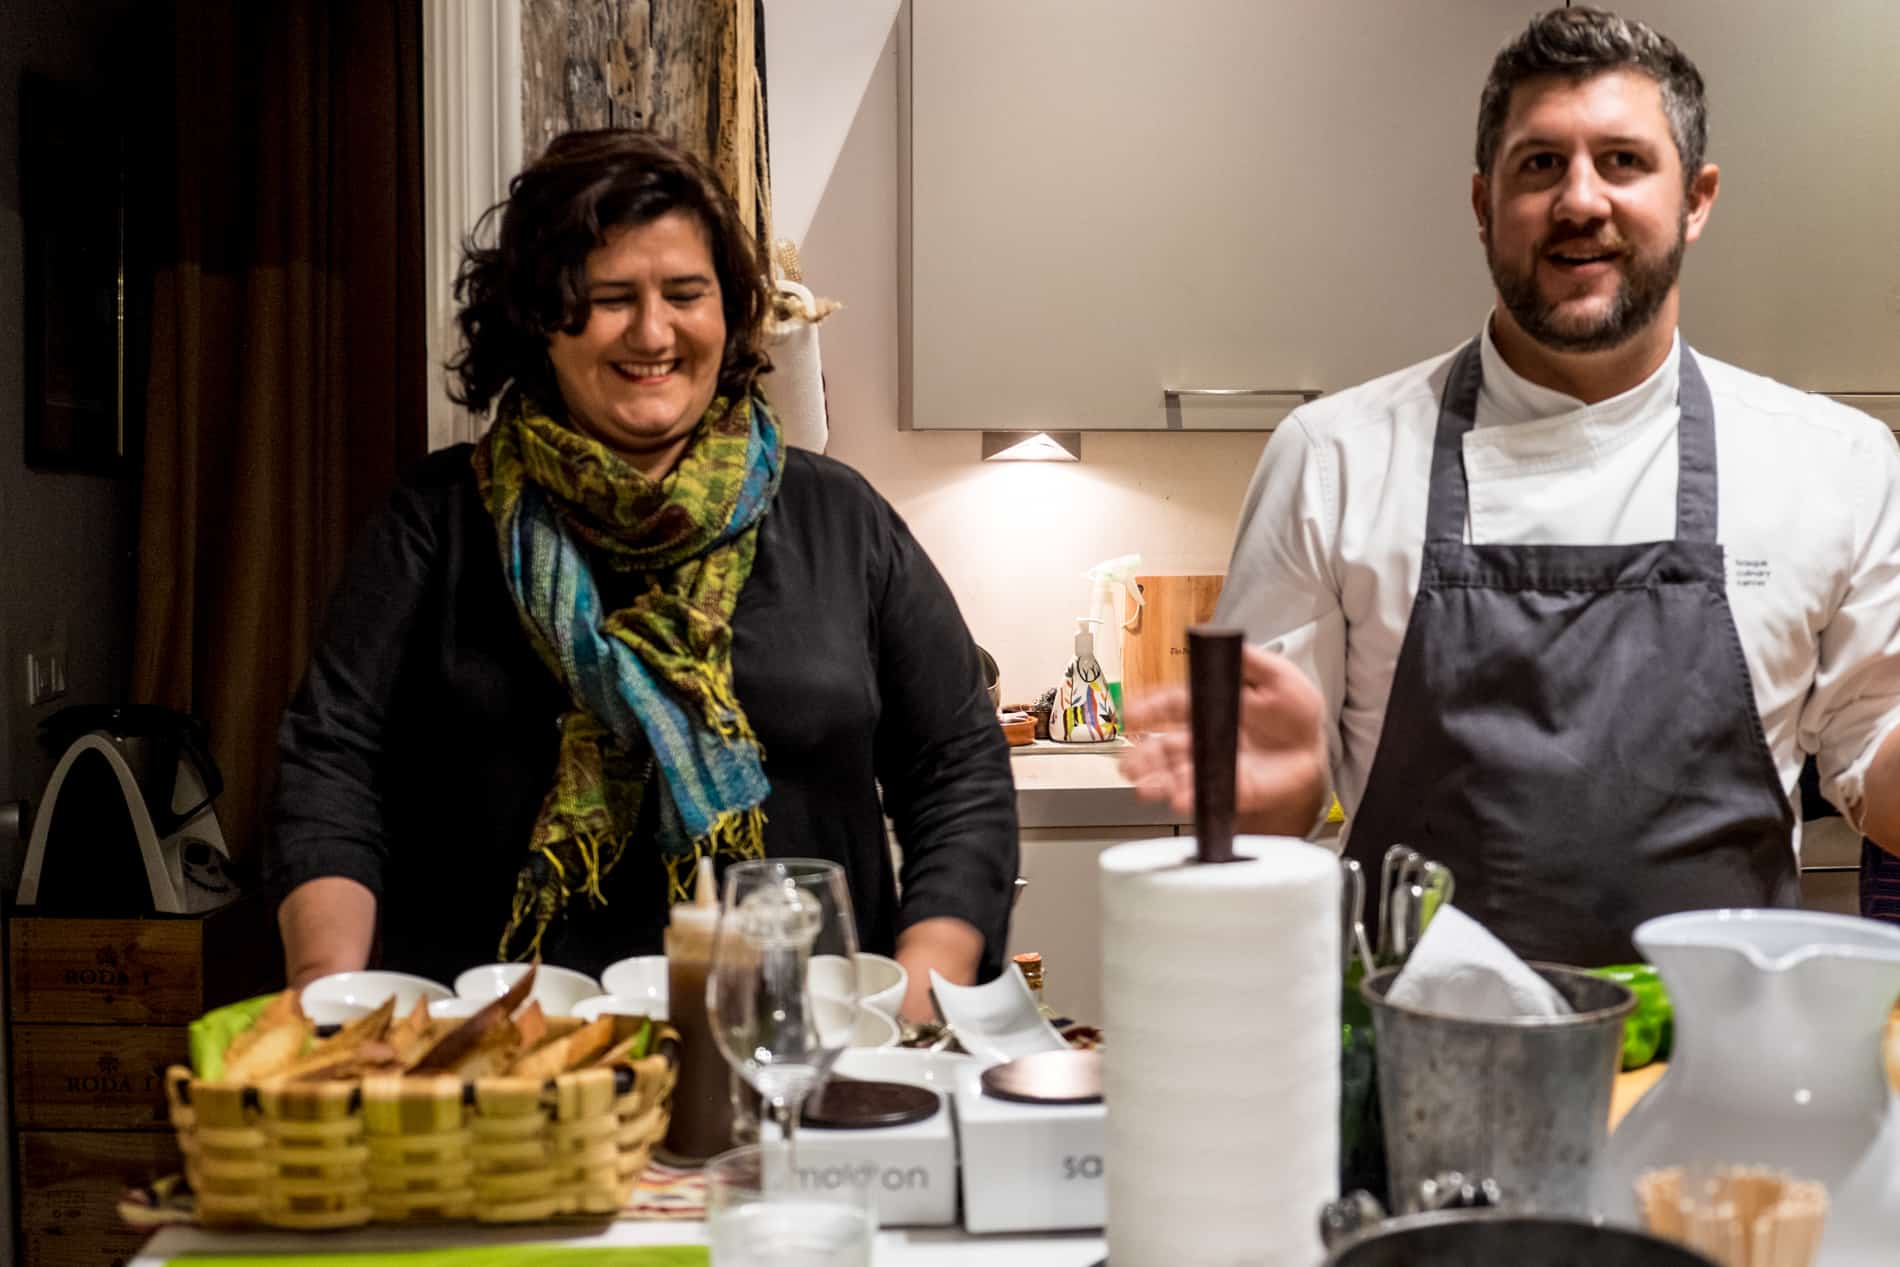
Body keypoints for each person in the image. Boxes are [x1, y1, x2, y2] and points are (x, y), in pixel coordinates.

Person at [1123, 7, 1900, 965]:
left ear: (1696, 198)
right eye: (1540, 165)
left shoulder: (1834, 462)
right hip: (1414, 1077)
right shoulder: (1334, 458)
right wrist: (1267, 807)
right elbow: (1250, 820)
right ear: (1484, 202)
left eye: (1623, 161)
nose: (1580, 200)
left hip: (1716, 1082)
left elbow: (1878, 765)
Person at [265, 129, 1017, 1019]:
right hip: (512, 1068)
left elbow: (959, 768)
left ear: (728, 312)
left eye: (685, 294)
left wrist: (920, 991)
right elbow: (331, 762)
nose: (652, 332)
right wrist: (328, 991)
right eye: (610, 298)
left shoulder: (840, 520)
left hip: (802, 1056)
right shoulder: (437, 521)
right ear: (540, 316)